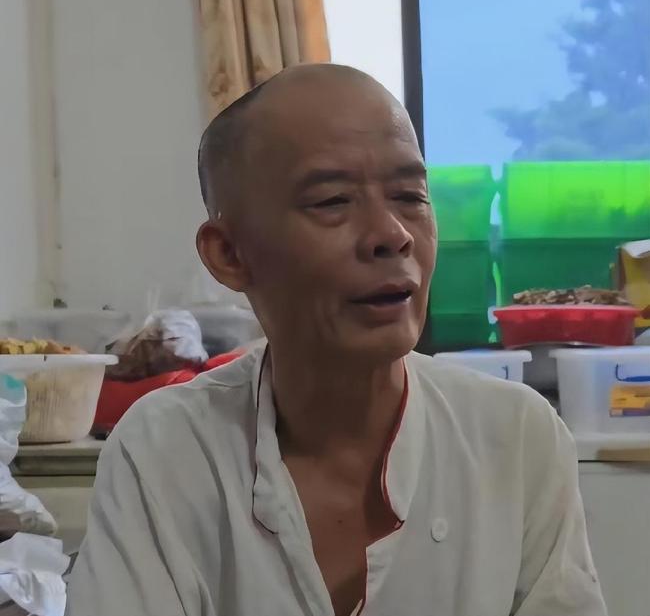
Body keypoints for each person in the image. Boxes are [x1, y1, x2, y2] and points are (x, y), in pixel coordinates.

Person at [66, 64, 608, 616]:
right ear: (229, 254)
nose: (392, 234)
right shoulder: (167, 449)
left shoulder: (516, 437)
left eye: (410, 196)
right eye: (331, 201)